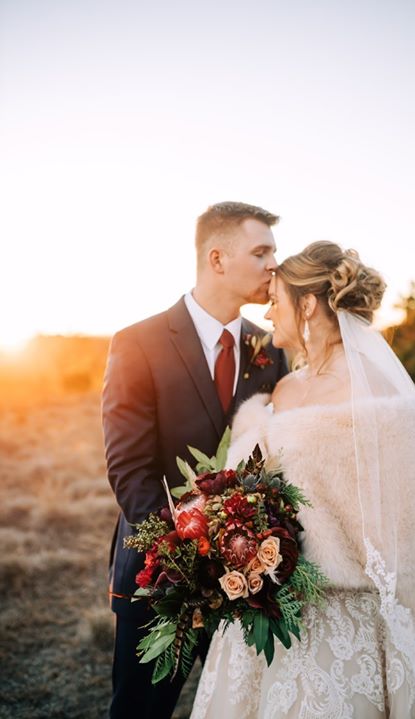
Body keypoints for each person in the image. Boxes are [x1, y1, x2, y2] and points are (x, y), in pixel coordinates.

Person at [191, 241, 415, 719]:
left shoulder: (382, 396)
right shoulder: (284, 389)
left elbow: (404, 528)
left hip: (356, 623)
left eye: (276, 301)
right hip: (274, 608)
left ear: (307, 304)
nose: (269, 314)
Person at [101, 201, 289, 719]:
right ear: (218, 258)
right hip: (157, 574)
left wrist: (247, 551)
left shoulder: (273, 349)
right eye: (262, 251)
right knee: (140, 709)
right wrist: (190, 556)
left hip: (250, 576)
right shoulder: (138, 343)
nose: (274, 264)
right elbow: (130, 471)